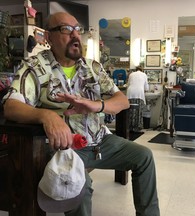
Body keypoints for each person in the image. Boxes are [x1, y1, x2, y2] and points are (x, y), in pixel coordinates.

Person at [2, 12, 159, 216]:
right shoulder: (34, 67)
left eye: (78, 29)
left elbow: (122, 101)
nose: (75, 35)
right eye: (66, 29)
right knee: (82, 184)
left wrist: (96, 105)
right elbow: (11, 106)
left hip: (100, 141)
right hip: (65, 147)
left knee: (144, 157)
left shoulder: (92, 67)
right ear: (49, 37)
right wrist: (46, 116)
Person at [126, 66, 149, 132]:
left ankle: (129, 126)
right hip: (139, 93)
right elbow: (146, 88)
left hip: (130, 93)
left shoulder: (131, 74)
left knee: (130, 110)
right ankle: (137, 127)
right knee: (139, 111)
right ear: (142, 70)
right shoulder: (144, 75)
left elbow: (128, 84)